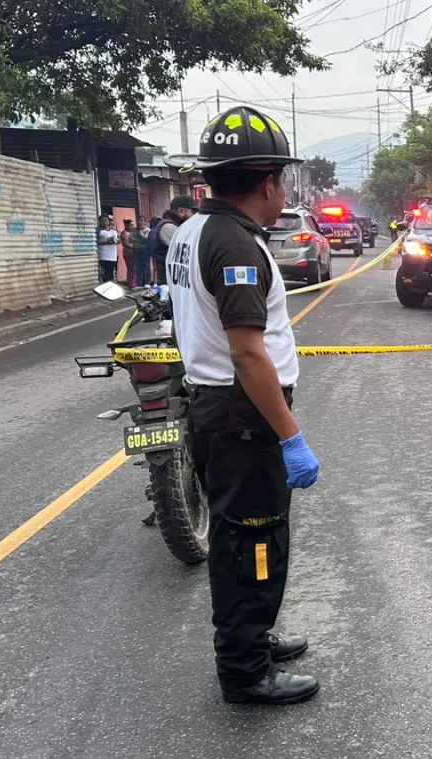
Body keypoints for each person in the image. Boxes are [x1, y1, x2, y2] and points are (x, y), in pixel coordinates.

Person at [164, 106, 321, 705]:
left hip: (217, 411)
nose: (282, 190)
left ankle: (253, 635)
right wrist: (289, 435)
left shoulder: (192, 231)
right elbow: (249, 353)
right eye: (281, 179)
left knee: (240, 536)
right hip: (244, 418)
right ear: (267, 183)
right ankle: (245, 670)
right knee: (254, 540)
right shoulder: (234, 243)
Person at [152, 196, 198, 284]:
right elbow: (189, 249)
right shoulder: (168, 227)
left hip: (177, 279)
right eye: (193, 212)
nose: (195, 216)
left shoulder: (179, 225)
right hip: (169, 281)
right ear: (181, 211)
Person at [96, 216, 119, 284]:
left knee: (111, 275)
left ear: (109, 221)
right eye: (102, 221)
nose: (104, 222)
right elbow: (96, 241)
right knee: (105, 275)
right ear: (100, 222)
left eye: (106, 220)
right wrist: (107, 242)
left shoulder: (114, 231)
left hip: (113, 256)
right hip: (103, 257)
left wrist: (116, 241)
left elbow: (119, 240)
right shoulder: (99, 231)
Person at [120, 219, 138, 286]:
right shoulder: (125, 233)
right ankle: (131, 283)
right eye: (131, 225)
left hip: (132, 253)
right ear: (126, 226)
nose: (133, 226)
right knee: (131, 268)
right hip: (129, 253)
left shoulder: (131, 233)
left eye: (133, 225)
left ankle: (134, 282)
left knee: (134, 268)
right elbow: (126, 244)